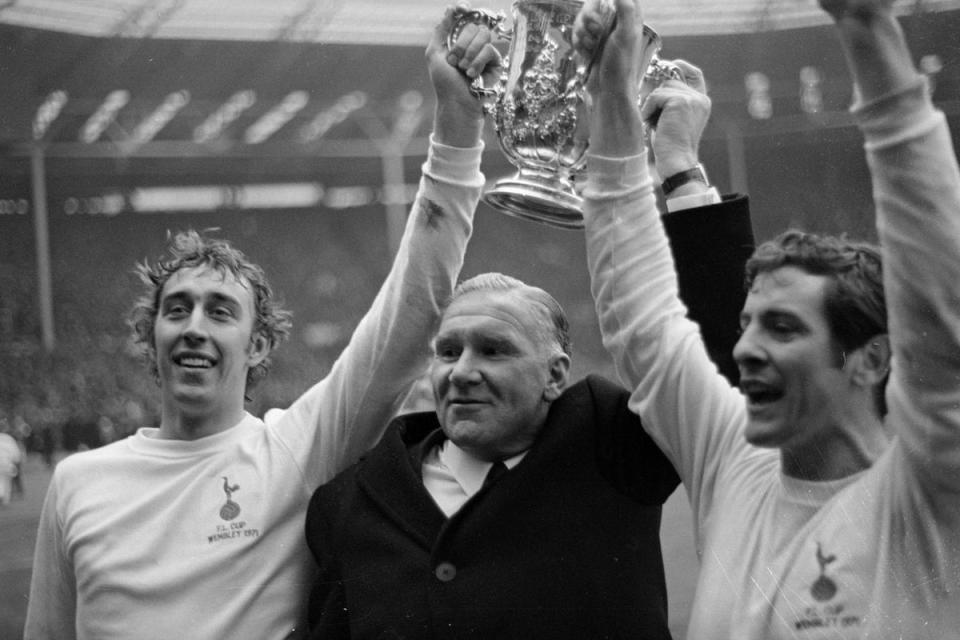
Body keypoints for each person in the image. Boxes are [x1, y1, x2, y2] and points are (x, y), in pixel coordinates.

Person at [24, 11, 501, 640]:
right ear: (151, 339)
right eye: (177, 309)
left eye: (221, 312)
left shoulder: (293, 452)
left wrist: (458, 129)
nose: (195, 326)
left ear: (259, 345)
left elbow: (410, 314)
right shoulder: (77, 483)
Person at [303, 52, 754, 640]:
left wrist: (677, 165)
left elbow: (714, 363)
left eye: (494, 350)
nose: (462, 371)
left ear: (555, 374)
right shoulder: (352, 502)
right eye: (448, 351)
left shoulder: (611, 447)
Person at [576, 0, 960, 637]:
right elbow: (641, 320)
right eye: (749, 323)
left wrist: (868, 31)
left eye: (783, 328)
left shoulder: (928, 492)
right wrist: (613, 101)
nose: (745, 347)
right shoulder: (733, 462)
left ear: (871, 357)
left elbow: (938, 297)